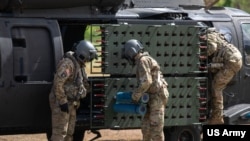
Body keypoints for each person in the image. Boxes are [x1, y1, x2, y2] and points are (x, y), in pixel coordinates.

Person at [49, 40, 98, 141]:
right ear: (83, 54)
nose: (88, 61)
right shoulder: (68, 64)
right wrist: (62, 102)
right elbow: (58, 83)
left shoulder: (78, 65)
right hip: (61, 103)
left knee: (69, 133)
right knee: (60, 133)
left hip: (71, 104)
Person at [121, 39, 169, 141]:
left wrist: (136, 95)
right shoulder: (142, 60)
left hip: (157, 97)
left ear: (131, 52)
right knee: (146, 128)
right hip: (151, 97)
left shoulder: (143, 60)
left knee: (156, 130)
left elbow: (147, 82)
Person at [202, 28, 242, 124]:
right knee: (212, 70)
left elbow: (212, 48)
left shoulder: (210, 35)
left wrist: (200, 54)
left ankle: (217, 119)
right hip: (232, 60)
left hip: (231, 61)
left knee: (216, 87)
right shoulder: (216, 35)